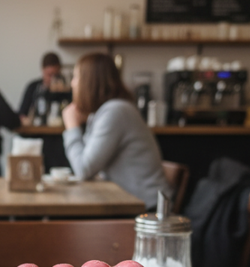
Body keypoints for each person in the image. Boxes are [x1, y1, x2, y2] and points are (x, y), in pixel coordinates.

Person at [61, 52, 171, 210]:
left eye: (76, 77)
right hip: (131, 203)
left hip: (147, 211)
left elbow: (83, 169)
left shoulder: (115, 111)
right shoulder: (105, 112)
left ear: (90, 82)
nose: (72, 84)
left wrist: (72, 126)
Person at [18, 51, 66, 118]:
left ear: (59, 71)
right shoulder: (33, 87)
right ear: (42, 70)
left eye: (56, 75)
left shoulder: (66, 89)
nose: (52, 79)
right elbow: (22, 113)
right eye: (49, 75)